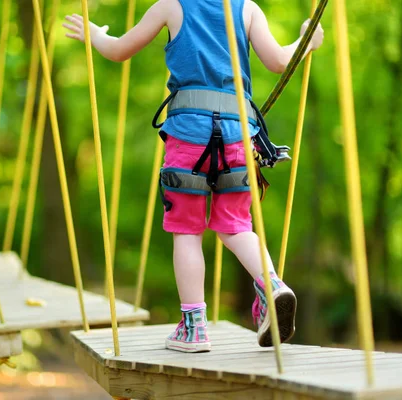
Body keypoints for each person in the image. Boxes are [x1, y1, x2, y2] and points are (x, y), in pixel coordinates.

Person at [63, 0, 324, 353]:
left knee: (186, 230)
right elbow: (279, 61)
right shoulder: (246, 9)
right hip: (237, 134)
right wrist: (305, 41)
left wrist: (95, 35)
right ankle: (272, 284)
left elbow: (118, 50)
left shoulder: (170, 5)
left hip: (189, 134)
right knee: (236, 226)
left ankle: (193, 327)